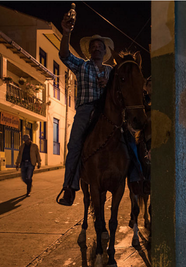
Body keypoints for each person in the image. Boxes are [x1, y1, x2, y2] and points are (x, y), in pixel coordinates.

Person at [57, 7, 114, 206]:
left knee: (128, 140)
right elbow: (64, 55)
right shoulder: (81, 65)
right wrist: (66, 33)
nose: (97, 48)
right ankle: (69, 188)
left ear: (105, 51)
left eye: (100, 46)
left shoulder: (111, 72)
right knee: (74, 145)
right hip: (85, 110)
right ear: (89, 51)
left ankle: (135, 177)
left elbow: (119, 95)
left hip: (107, 113)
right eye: (94, 46)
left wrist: (108, 86)